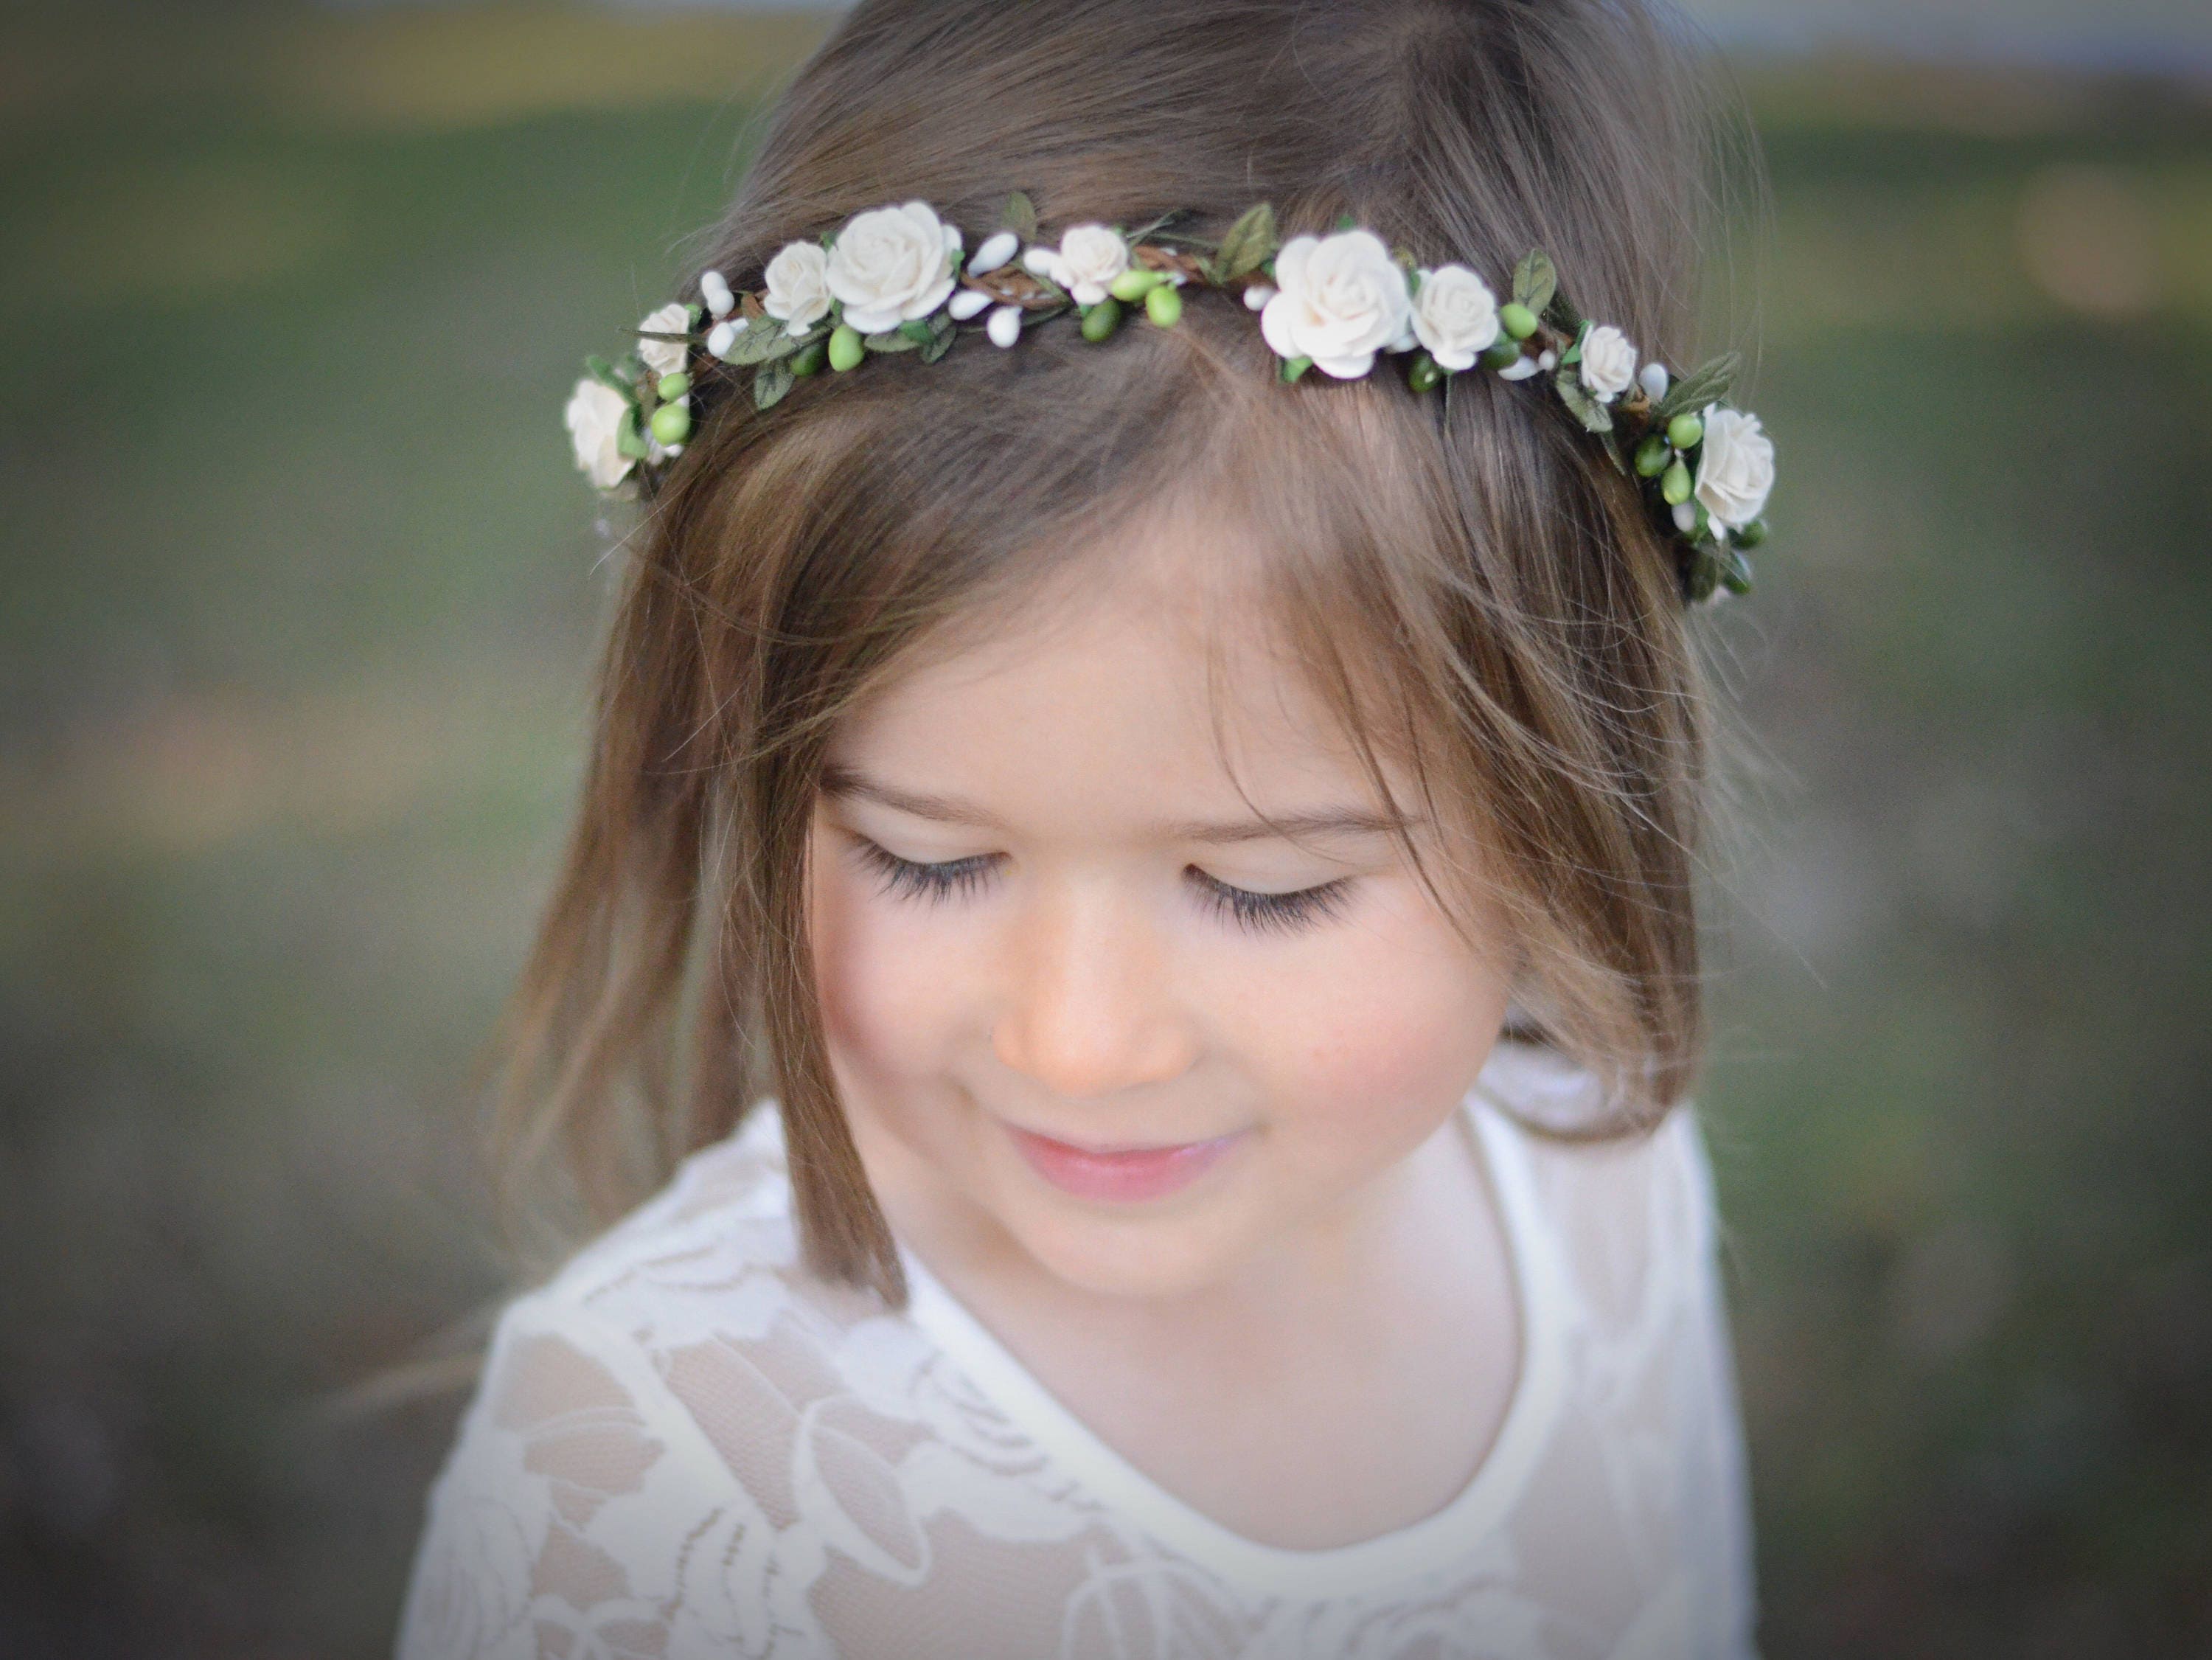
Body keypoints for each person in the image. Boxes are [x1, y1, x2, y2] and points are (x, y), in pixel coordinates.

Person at [396, 0, 1775, 1653]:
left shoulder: (1598, 1187)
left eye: (1263, 888)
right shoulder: (653, 1475)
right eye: (930, 856)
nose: (1080, 1039)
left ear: (1565, 772)